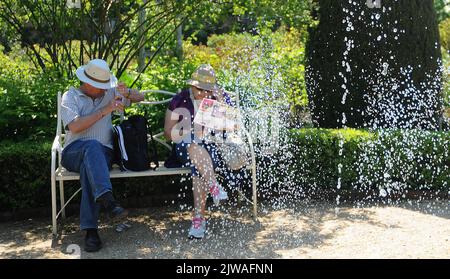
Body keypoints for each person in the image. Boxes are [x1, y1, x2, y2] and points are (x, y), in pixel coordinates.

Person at [60, 59, 145, 252]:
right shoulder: (70, 96)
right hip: (73, 152)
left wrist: (127, 92)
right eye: (101, 86)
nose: (105, 89)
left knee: (91, 163)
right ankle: (107, 202)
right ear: (89, 83)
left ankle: (93, 228)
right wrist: (105, 110)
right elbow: (75, 126)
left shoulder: (109, 92)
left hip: (103, 153)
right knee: (91, 147)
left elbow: (140, 97)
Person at [164, 64, 234, 239]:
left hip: (211, 149)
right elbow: (167, 133)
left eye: (208, 90)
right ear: (192, 86)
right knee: (193, 142)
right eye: (200, 89)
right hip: (183, 147)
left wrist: (221, 102)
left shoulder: (219, 99)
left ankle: (199, 219)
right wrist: (189, 131)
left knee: (199, 166)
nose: (204, 93)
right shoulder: (180, 100)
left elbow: (233, 127)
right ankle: (213, 187)